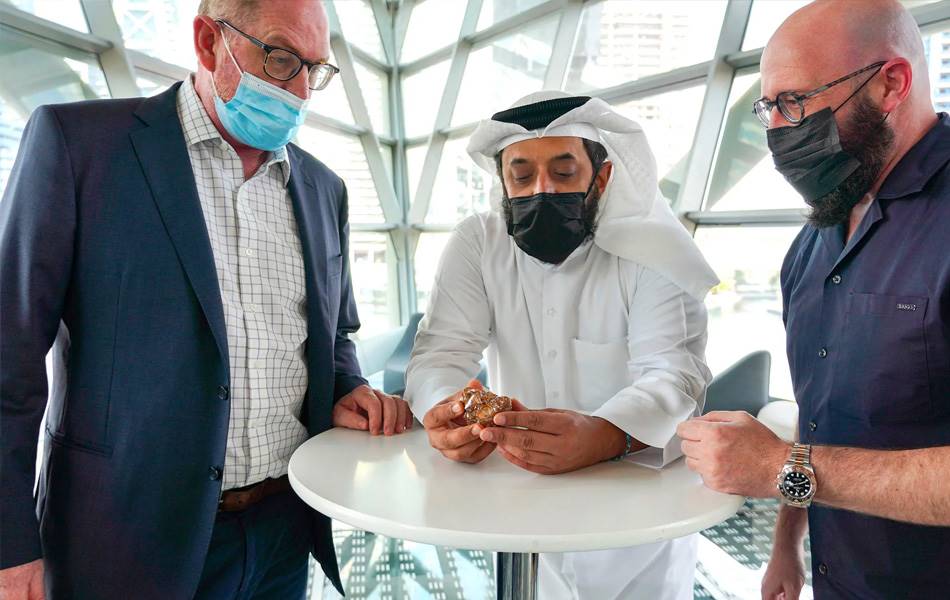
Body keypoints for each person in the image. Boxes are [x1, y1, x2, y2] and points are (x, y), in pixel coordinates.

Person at [0, 1, 412, 598]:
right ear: (208, 41)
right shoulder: (79, 146)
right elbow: (8, 358)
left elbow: (331, 339)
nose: (299, 91)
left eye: (314, 70)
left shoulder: (325, 189)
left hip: (282, 531)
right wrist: (10, 547)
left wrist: (346, 390)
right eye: (280, 57)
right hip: (124, 537)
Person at [677, 1, 950, 598]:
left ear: (891, 84)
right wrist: (786, 547)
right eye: (767, 107)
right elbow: (817, 415)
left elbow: (793, 460)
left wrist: (780, 469)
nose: (778, 129)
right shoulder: (815, 240)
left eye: (795, 102)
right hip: (839, 577)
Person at [405, 91, 720, 599]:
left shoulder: (654, 249)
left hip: (638, 525)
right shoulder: (477, 243)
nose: (542, 189)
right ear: (503, 181)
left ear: (602, 176)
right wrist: (445, 412)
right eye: (522, 175)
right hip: (521, 510)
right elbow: (440, 350)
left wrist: (607, 432)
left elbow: (673, 371)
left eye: (564, 171)